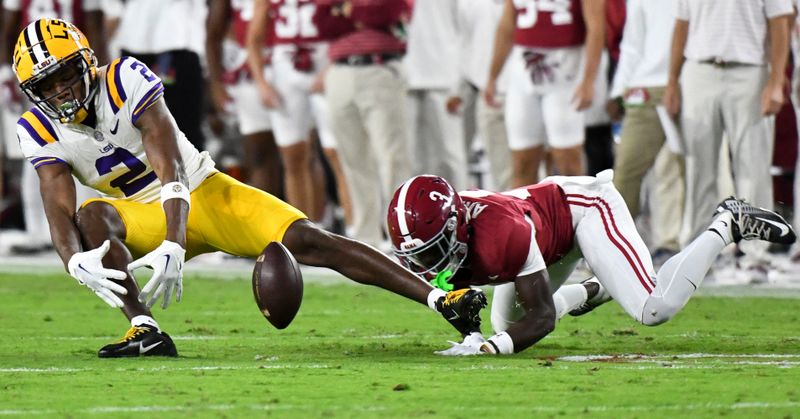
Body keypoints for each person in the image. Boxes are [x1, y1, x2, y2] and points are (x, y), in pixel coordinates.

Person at [11, 18, 486, 358]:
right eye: (47, 85)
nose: (61, 93)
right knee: (92, 217)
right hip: (139, 217)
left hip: (202, 192)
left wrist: (176, 242)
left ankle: (440, 298)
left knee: (312, 241)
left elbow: (170, 164)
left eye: (67, 75)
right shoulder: (36, 128)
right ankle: (144, 328)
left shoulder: (124, 78)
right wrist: (72, 261)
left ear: (87, 62)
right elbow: (57, 206)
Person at [387, 171, 795, 355]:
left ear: (456, 226)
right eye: (418, 252)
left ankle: (727, 222)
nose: (427, 261)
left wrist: (491, 350)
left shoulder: (499, 235)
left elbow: (544, 317)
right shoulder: (456, 233)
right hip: (543, 238)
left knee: (654, 308)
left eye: (432, 248)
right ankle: (598, 287)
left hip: (584, 210)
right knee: (508, 326)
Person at [663, 0, 793, 280]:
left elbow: (781, 21)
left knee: (753, 166)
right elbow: (681, 25)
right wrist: (671, 80)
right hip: (699, 69)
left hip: (749, 71)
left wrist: (776, 81)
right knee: (698, 168)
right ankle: (697, 252)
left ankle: (755, 254)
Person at [313, 0, 415, 250]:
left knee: (392, 157)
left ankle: (401, 235)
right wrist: (364, 13)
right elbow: (322, 22)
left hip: (381, 69)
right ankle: (366, 238)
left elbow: (391, 11)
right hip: (340, 71)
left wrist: (347, 9)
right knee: (353, 159)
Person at [485, 0, 605, 187]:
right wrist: (493, 76)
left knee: (568, 161)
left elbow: (596, 27)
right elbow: (507, 25)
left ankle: (575, 214)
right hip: (523, 68)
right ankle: (523, 215)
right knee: (522, 161)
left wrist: (589, 80)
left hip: (566, 68)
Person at [610, 0, 685, 265]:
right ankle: (614, 244)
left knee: (685, 171)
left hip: (692, 80)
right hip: (647, 84)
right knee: (627, 170)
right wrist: (620, 88)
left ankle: (674, 243)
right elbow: (632, 40)